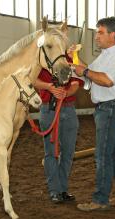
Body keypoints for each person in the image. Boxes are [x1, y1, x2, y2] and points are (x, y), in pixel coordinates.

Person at [72, 17, 115, 211]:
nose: (96, 36)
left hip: (110, 108)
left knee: (102, 156)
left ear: (112, 34)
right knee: (113, 154)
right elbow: (89, 72)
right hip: (107, 109)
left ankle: (100, 200)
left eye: (100, 32)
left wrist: (86, 72)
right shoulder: (104, 56)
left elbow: (106, 80)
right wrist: (74, 58)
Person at [34, 50, 84, 204]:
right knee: (51, 153)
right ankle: (54, 190)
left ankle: (62, 189)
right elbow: (32, 80)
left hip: (68, 108)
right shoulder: (42, 60)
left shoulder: (71, 60)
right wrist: (49, 87)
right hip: (49, 108)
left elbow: (76, 83)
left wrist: (65, 93)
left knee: (68, 152)